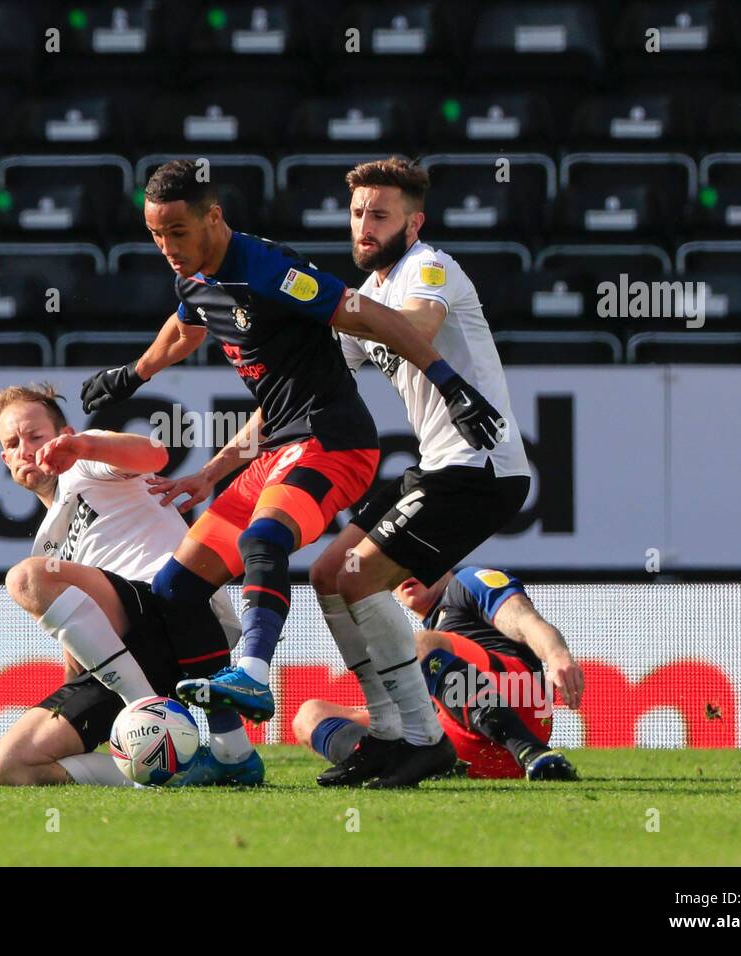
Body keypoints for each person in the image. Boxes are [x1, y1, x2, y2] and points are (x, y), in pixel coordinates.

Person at [80, 158, 506, 787]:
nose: (168, 248)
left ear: (214, 217)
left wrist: (449, 383)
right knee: (177, 588)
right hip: (277, 447)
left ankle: (253, 670)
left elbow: (369, 318)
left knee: (265, 540)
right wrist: (133, 376)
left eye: (178, 232)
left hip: (334, 441)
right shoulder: (196, 279)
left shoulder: (271, 270)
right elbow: (185, 328)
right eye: (155, 235)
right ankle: (229, 754)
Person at [297, 156, 535, 787]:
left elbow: (416, 329)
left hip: (481, 467)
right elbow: (310, 393)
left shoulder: (429, 268)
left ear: (414, 221)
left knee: (360, 577)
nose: (364, 227)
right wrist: (214, 470)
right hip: (438, 467)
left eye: (380, 215)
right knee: (327, 573)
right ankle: (387, 734)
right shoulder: (368, 297)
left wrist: (327, 306)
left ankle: (419, 739)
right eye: (357, 214)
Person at [0, 382, 260, 788]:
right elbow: (76, 647)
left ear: (64, 435)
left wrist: (83, 447)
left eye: (35, 436)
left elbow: (154, 453)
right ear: (5, 458)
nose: (25, 448)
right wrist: (78, 702)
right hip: (128, 661)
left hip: (172, 612)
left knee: (26, 576)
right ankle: (178, 772)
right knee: (7, 768)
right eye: (13, 443)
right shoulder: (47, 541)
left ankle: (145, 707)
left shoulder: (84, 461)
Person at [294, 567, 583, 783]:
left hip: (521, 703)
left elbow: (524, 618)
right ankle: (403, 762)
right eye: (394, 561)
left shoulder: (466, 583)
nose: (406, 569)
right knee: (309, 715)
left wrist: (556, 654)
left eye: (418, 556)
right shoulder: (424, 639)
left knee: (416, 644)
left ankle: (533, 753)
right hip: (467, 747)